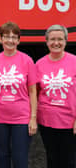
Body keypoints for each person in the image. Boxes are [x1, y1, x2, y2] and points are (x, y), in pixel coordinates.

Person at [0, 21, 37, 168]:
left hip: (21, 118)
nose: (10, 40)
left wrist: (33, 118)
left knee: (20, 158)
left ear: (19, 40)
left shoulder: (27, 60)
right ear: (0, 39)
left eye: (14, 37)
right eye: (6, 36)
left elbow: (33, 91)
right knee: (2, 157)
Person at [36, 24, 76, 168]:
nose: (56, 43)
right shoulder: (39, 64)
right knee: (52, 159)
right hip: (47, 121)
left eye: (60, 39)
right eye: (52, 39)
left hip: (70, 123)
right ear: (47, 42)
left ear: (66, 41)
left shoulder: (74, 62)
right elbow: (35, 92)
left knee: (70, 161)